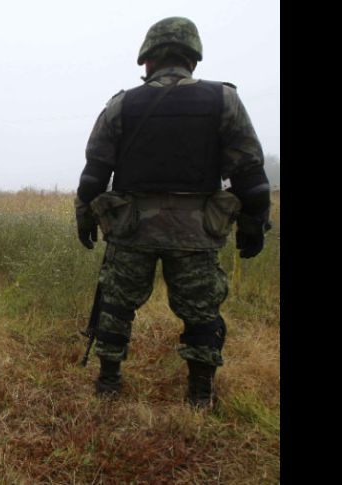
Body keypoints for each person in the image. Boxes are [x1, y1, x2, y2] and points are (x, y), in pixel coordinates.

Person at [74, 17, 271, 408]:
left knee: (116, 304)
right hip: (196, 231)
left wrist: (85, 217)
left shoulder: (121, 105)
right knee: (201, 310)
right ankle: (200, 392)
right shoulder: (223, 101)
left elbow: (94, 173)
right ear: (193, 59)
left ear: (147, 60)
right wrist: (254, 223)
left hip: (132, 229)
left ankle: (108, 383)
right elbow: (249, 172)